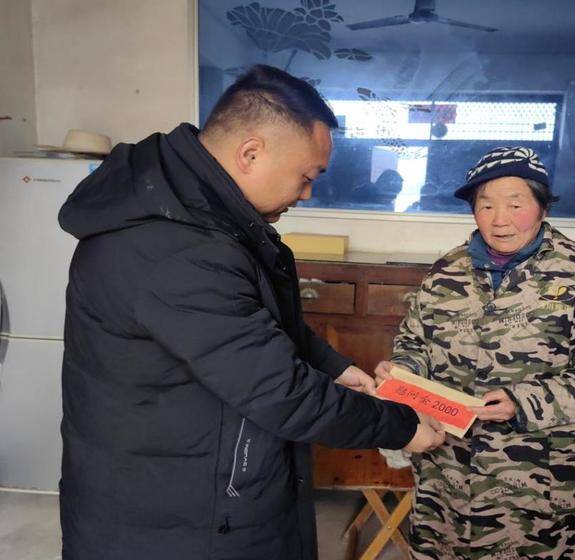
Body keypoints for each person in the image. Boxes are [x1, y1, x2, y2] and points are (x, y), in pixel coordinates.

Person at [57, 65, 445, 560]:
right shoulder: (174, 246)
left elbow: (255, 322)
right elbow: (282, 392)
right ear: (251, 153)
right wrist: (402, 427)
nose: (307, 194)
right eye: (306, 177)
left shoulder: (204, 219)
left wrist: (333, 365)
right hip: (175, 516)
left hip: (199, 478)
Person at [375, 146, 575, 559]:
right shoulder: (446, 273)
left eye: (516, 204)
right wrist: (403, 371)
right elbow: (414, 342)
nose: (500, 219)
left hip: (544, 481)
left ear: (543, 207)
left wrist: (524, 401)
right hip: (451, 471)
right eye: (486, 205)